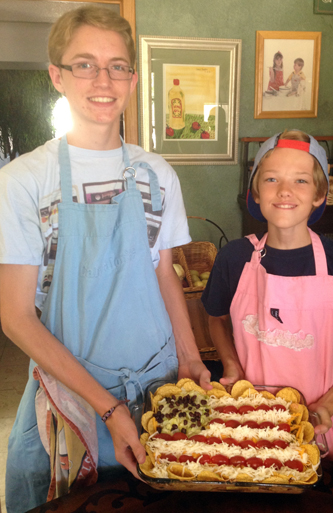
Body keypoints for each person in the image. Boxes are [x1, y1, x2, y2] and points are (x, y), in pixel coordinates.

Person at [0, 6, 211, 513]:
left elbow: (165, 271)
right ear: (57, 75)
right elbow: (15, 317)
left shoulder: (157, 174)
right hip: (73, 394)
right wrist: (110, 407)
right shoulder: (24, 181)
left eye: (118, 65)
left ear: (133, 79)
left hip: (159, 384)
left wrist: (189, 357)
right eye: (85, 64)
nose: (103, 79)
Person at [201, 130, 333, 462]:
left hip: (313, 430)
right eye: (271, 178)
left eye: (301, 180)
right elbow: (214, 318)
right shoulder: (234, 258)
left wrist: (325, 407)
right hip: (244, 426)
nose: (285, 191)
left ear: (320, 194)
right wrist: (231, 363)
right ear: (256, 192)